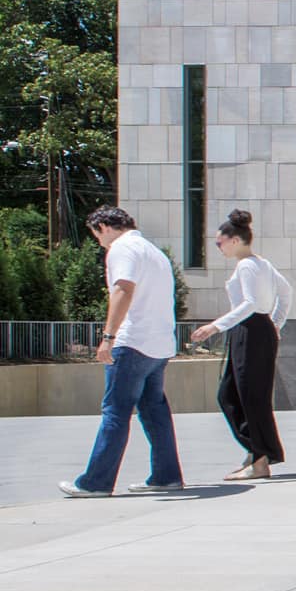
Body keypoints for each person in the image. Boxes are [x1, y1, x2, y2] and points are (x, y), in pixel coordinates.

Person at [59, 207, 185, 498]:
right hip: (159, 344)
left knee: (115, 411)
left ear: (104, 226)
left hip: (133, 342)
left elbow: (123, 289)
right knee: (155, 411)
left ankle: (95, 483)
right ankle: (166, 477)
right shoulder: (154, 252)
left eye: (96, 236)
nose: (99, 242)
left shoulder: (122, 248)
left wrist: (108, 337)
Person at [190, 210, 292, 482]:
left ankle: (260, 459)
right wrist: (275, 324)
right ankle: (257, 452)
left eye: (219, 243)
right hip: (257, 330)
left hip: (250, 330)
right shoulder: (262, 264)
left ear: (234, 240)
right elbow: (286, 292)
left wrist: (215, 326)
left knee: (245, 396)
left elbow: (248, 304)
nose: (218, 248)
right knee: (236, 394)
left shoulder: (247, 265)